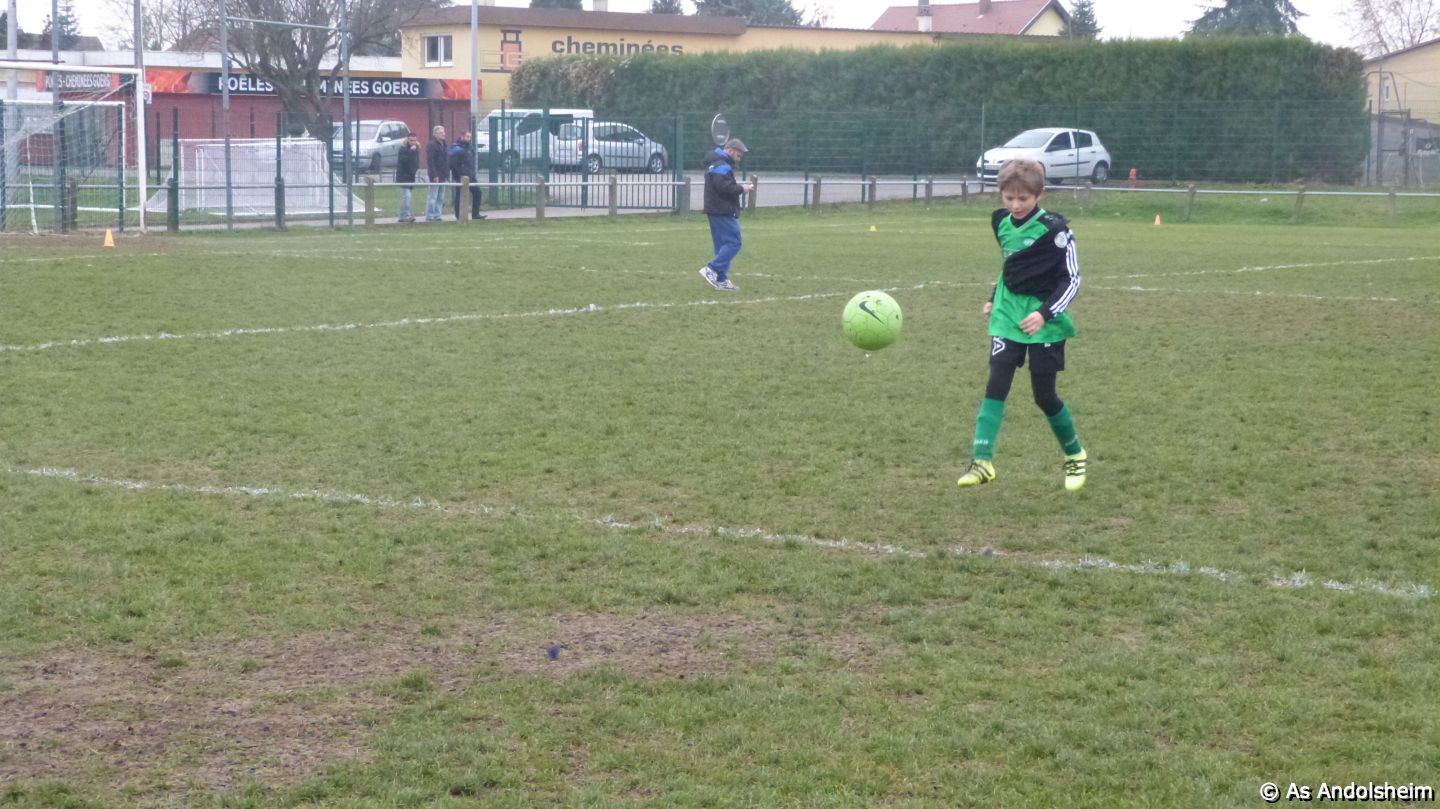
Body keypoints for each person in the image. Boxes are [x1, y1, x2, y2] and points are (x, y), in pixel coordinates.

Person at [957, 158, 1087, 492]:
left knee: (1044, 396)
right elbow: (1012, 265)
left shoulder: (1056, 231)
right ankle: (982, 461)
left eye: (1023, 198)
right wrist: (994, 297)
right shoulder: (999, 222)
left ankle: (1075, 454)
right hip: (1007, 314)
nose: (1015, 205)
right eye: (1009, 197)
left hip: (1043, 320)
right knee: (996, 382)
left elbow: (1071, 279)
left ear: (1039, 194)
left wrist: (1045, 313)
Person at [698, 138, 753, 292]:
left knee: (722, 246)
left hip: (716, 209)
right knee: (735, 243)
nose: (740, 157)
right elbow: (724, 188)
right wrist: (742, 189)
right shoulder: (721, 165)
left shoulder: (717, 163)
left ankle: (721, 279)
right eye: (739, 154)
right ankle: (712, 269)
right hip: (722, 209)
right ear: (730, 150)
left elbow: (722, 186)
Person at [448, 130, 486, 220]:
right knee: (459, 195)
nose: (469, 139)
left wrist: (472, 173)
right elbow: (453, 164)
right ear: (462, 137)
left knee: (477, 192)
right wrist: (460, 173)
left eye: (470, 137)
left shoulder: (469, 148)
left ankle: (475, 214)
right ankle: (459, 216)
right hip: (461, 176)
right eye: (467, 137)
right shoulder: (456, 148)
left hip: (471, 176)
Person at [395, 131, 421, 223]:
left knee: (406, 197)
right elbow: (404, 160)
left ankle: (402, 216)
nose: (413, 142)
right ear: (407, 140)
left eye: (414, 140)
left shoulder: (416, 150)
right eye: (411, 140)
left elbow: (415, 162)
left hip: (411, 176)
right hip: (403, 176)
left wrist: (415, 169)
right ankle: (407, 215)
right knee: (407, 196)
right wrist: (411, 151)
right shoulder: (403, 149)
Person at [425, 125, 449, 222]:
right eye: (441, 132)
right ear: (435, 134)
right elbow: (431, 161)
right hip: (435, 175)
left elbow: (446, 160)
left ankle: (437, 215)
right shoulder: (432, 145)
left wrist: (446, 174)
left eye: (443, 132)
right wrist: (434, 175)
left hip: (443, 174)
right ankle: (430, 215)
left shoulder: (444, 144)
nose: (443, 134)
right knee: (433, 196)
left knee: (440, 197)